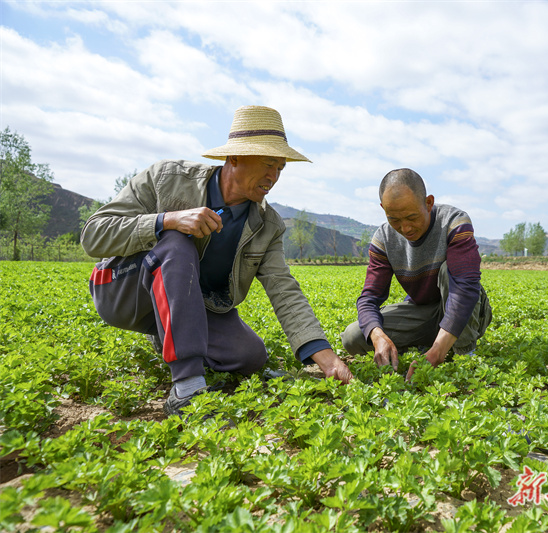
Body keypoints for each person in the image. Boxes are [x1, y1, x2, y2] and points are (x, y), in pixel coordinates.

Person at [81, 105, 353, 417]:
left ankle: (170, 334)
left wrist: (327, 359)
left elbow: (284, 290)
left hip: (194, 306)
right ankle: (186, 386)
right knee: (176, 243)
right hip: (123, 292)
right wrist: (166, 220)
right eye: (267, 164)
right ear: (233, 158)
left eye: (280, 168)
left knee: (250, 356)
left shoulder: (268, 225)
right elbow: (94, 234)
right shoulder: (167, 179)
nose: (273, 176)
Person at [341, 168, 492, 379]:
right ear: (383, 209)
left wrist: (438, 353)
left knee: (449, 272)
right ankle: (427, 344)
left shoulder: (453, 222)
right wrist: (378, 336)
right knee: (353, 336)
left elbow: (465, 289)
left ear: (428, 203)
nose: (406, 228)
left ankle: (463, 353)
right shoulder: (383, 239)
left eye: (412, 217)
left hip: (464, 307)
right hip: (423, 311)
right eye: (394, 219)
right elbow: (369, 299)